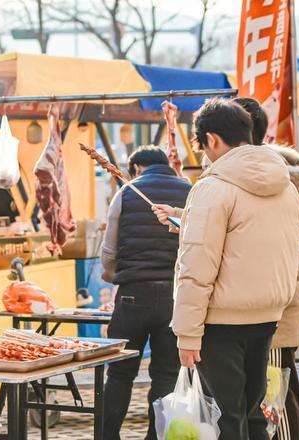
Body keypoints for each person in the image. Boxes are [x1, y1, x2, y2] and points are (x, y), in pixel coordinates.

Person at [171, 98, 299, 440]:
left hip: (221, 323)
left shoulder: (213, 188)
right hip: (267, 317)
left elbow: (197, 265)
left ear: (212, 139)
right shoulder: (285, 185)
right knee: (253, 414)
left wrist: (187, 333)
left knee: (225, 418)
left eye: (202, 145)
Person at [101, 145, 191, 440]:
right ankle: (156, 436)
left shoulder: (126, 192)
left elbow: (109, 250)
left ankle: (107, 435)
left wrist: (116, 275)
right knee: (165, 374)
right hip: (174, 298)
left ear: (137, 167)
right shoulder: (190, 190)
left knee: (119, 373)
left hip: (132, 296)